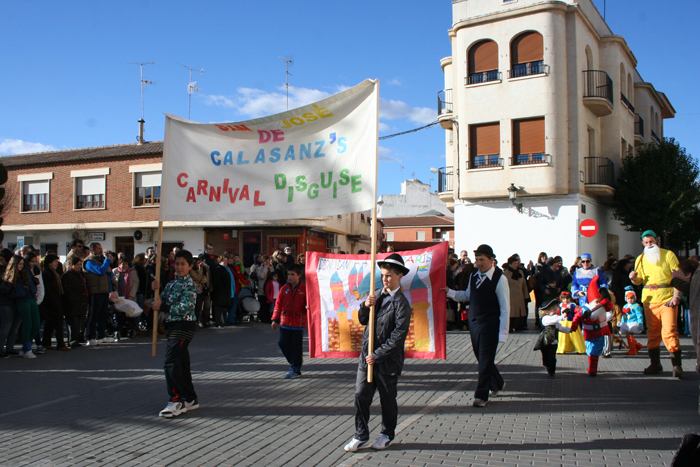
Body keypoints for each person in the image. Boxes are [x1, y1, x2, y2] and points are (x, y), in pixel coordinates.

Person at [343, 253, 412, 452]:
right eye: (383, 275)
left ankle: (386, 434)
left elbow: (399, 336)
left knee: (387, 399)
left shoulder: (401, 304)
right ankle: (360, 434)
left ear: (399, 276)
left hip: (387, 360)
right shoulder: (376, 295)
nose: (385, 279)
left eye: (389, 275)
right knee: (361, 395)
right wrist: (365, 305)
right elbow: (363, 320)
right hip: (367, 357)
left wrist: (379, 354)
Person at [443, 244, 509, 407]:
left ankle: (481, 395)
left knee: (485, 358)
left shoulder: (500, 278)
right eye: (477, 260)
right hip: (474, 322)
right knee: (481, 357)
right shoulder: (474, 275)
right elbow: (467, 295)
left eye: (482, 260)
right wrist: (449, 292)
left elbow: (505, 307)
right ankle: (498, 383)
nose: (479, 263)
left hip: (490, 323)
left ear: (491, 260)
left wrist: (503, 332)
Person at [629, 230, 683, 378]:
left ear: (657, 240)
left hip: (667, 298)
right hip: (649, 300)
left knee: (670, 331)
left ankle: (677, 366)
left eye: (651, 241)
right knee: (652, 332)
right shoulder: (640, 259)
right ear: (642, 243)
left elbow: (678, 276)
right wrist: (633, 278)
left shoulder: (668, 255)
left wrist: (676, 296)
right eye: (646, 242)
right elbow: (639, 280)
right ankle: (655, 364)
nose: (649, 244)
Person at [152, 249, 199, 418]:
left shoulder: (190, 285)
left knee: (170, 361)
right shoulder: (172, 284)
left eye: (183, 264)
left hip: (184, 325)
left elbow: (185, 307)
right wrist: (155, 290)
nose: (179, 267)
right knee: (181, 362)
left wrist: (162, 307)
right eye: (177, 264)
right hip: (172, 325)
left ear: (190, 266)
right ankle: (190, 398)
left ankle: (176, 400)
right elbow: (161, 300)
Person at [271, 264, 307, 379]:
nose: (290, 277)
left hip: (298, 323)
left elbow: (309, 305)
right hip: (285, 322)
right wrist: (274, 319)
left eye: (292, 274)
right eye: (288, 275)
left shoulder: (304, 289)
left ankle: (295, 369)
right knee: (282, 344)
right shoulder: (284, 289)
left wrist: (307, 308)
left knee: (296, 347)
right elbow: (278, 305)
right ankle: (295, 360)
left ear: (299, 276)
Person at [570, 281, 613, 377]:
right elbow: (577, 317)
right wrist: (574, 326)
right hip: (588, 333)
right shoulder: (584, 308)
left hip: (600, 332)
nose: (597, 302)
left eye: (599, 300)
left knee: (596, 349)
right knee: (590, 349)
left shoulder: (603, 306)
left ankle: (593, 368)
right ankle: (592, 366)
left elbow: (610, 307)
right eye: (596, 300)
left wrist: (605, 301)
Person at [83, 243, 114, 346]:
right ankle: (90, 337)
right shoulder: (89, 262)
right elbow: (101, 271)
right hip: (95, 292)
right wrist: (106, 262)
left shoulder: (101, 260)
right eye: (99, 249)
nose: (101, 251)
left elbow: (110, 273)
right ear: (93, 250)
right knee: (93, 316)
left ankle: (101, 335)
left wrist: (108, 268)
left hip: (104, 291)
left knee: (103, 315)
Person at [535, 298, 572, 378]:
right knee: (545, 356)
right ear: (547, 311)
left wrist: (569, 330)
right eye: (553, 310)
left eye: (556, 310)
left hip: (553, 341)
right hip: (545, 341)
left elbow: (561, 328)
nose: (555, 312)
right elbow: (551, 321)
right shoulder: (545, 318)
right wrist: (562, 316)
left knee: (552, 357)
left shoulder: (556, 319)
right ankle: (547, 365)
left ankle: (551, 371)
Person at [40, 253, 68, 351]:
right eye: (54, 262)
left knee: (50, 323)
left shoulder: (54, 272)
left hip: (55, 300)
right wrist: (54, 301)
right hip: (51, 301)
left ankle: (46, 342)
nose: (56, 264)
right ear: (49, 263)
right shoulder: (47, 273)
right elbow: (48, 290)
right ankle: (60, 344)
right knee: (58, 323)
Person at [61, 256, 89, 348]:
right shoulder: (67, 276)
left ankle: (76, 339)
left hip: (80, 303)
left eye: (80, 265)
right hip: (72, 304)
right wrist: (73, 300)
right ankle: (72, 340)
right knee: (73, 324)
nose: (79, 266)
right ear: (71, 265)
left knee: (79, 324)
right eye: (77, 265)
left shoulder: (79, 274)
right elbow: (67, 290)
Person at [0, 256, 23, 358]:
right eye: (19, 264)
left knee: (14, 328)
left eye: (22, 264)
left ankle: (10, 348)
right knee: (6, 327)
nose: (21, 266)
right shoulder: (6, 274)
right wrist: (13, 289)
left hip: (18, 302)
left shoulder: (22, 275)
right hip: (7, 303)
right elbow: (3, 289)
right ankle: (1, 349)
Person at [503, 254, 528, 332]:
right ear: (510, 264)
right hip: (510, 296)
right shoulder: (505, 274)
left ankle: (519, 326)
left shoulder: (520, 272)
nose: (516, 265)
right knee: (512, 312)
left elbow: (524, 284)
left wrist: (526, 295)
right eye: (514, 264)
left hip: (520, 296)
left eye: (517, 264)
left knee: (520, 312)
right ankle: (510, 327)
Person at [619, 286, 645, 355]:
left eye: (632, 298)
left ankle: (633, 349)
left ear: (635, 298)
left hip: (633, 323)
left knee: (630, 336)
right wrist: (621, 322)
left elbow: (639, 316)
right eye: (628, 298)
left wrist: (640, 324)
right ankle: (637, 346)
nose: (630, 300)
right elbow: (624, 315)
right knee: (628, 336)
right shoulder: (625, 306)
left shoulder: (636, 306)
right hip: (626, 323)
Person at [210, 254, 233, 328]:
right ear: (220, 261)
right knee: (218, 309)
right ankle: (218, 322)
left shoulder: (226, 269)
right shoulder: (218, 269)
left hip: (226, 293)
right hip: (219, 293)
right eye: (224, 260)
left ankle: (224, 321)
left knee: (224, 308)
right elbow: (217, 282)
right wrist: (221, 289)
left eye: (226, 260)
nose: (226, 262)